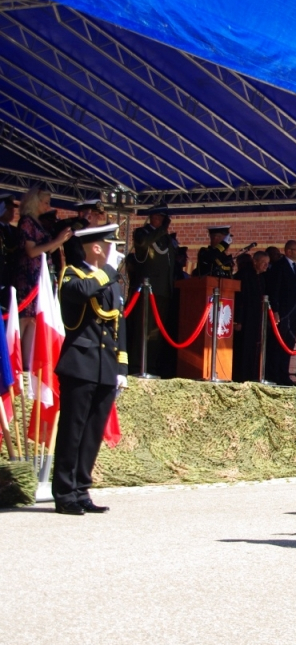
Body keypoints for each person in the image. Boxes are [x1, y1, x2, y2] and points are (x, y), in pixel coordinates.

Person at [51, 224, 128, 515]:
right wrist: (108, 270)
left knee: (93, 432)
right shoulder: (72, 274)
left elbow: (120, 325)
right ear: (96, 248)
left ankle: (81, 489)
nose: (115, 250)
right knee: (73, 430)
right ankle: (65, 493)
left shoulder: (112, 282)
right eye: (110, 245)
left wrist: (121, 365)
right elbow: (82, 292)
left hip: (105, 365)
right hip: (79, 364)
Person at [16, 188, 73, 363]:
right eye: (45, 202)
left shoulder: (37, 222)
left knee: (34, 318)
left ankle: (28, 359)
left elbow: (46, 250)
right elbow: (32, 251)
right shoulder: (26, 222)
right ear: (35, 202)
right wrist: (56, 241)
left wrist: (60, 241)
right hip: (28, 275)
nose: (48, 206)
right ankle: (19, 358)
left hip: (41, 274)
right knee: (25, 318)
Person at [126, 203, 176, 377]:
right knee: (143, 330)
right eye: (158, 217)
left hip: (163, 291)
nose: (161, 221)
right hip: (147, 291)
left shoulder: (166, 239)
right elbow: (143, 243)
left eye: (163, 218)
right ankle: (137, 365)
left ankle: (152, 366)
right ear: (152, 217)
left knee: (157, 333)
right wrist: (161, 230)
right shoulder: (142, 233)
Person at [265, 240, 296, 385]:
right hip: (282, 312)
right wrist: (275, 310)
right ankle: (275, 374)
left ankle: (284, 373)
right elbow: (274, 290)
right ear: (288, 251)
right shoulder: (279, 267)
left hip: (294, 312)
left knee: (289, 343)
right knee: (278, 344)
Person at [232, 251, 266, 382]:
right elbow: (241, 299)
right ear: (255, 262)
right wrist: (238, 320)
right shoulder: (245, 276)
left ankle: (253, 375)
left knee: (254, 348)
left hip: (256, 318)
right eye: (263, 263)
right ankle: (242, 376)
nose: (266, 266)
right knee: (243, 348)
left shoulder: (260, 278)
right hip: (245, 318)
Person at [0, 192, 24, 297]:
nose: (12, 212)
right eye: (9, 209)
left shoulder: (15, 230)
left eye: (12, 210)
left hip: (13, 276)